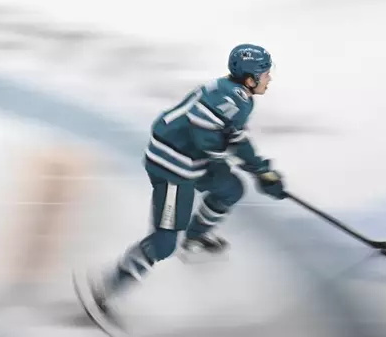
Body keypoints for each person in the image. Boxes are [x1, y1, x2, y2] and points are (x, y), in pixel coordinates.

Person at [73, 43, 287, 334]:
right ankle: (104, 289)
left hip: (192, 161)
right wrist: (232, 160)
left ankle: (196, 238)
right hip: (174, 170)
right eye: (264, 73)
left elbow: (232, 137)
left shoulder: (238, 96)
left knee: (231, 189)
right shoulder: (229, 98)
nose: (269, 78)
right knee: (163, 242)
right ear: (249, 78)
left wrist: (261, 170)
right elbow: (207, 137)